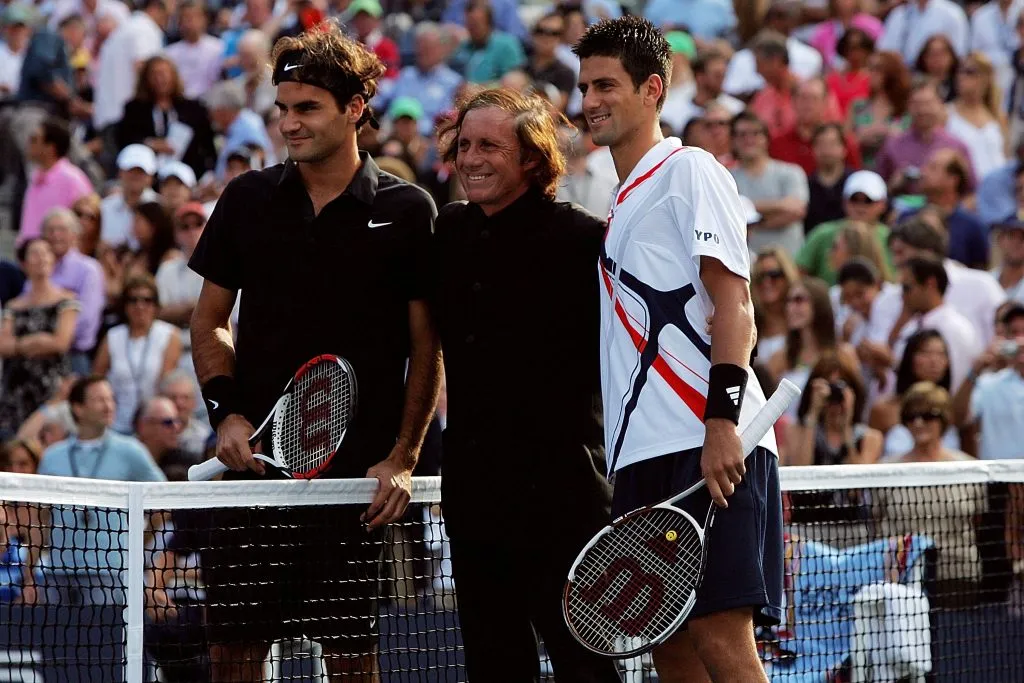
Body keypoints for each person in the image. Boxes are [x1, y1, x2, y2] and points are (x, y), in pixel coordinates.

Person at [188, 24, 440, 681]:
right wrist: (226, 413)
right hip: (253, 480)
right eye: (282, 109)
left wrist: (403, 456)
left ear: (355, 107)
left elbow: (426, 346)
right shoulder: (246, 198)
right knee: (232, 655)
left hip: (351, 484)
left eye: (307, 108)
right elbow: (209, 321)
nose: (289, 124)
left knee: (352, 661)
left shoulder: (408, 209)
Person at [575, 16, 781, 681]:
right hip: (642, 453)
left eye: (606, 85)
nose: (590, 100)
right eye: (584, 87)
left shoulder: (689, 168)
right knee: (669, 646)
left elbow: (736, 307)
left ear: (653, 90)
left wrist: (722, 421)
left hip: (703, 435)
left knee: (720, 634)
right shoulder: (620, 201)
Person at [434, 87, 618, 683]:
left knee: (585, 668)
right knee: (494, 668)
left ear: (534, 159)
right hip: (473, 499)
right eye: (464, 145)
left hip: (563, 500)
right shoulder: (449, 232)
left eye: (489, 146)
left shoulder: (584, 239)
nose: (471, 158)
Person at [0, 239, 79, 437]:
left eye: (46, 252)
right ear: (23, 263)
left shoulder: (66, 301)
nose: (41, 258)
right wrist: (37, 341)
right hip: (16, 387)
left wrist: (19, 345)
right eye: (35, 253)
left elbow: (61, 342)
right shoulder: (13, 306)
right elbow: (3, 345)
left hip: (51, 387)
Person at [93, 274, 181, 434]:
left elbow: (166, 383)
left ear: (155, 304)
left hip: (153, 424)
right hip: (116, 422)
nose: (140, 306)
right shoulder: (113, 336)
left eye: (147, 300)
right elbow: (97, 380)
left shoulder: (169, 335)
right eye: (133, 300)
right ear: (125, 305)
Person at [115, 55, 217, 181]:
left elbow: (206, 144)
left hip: (188, 174)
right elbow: (124, 139)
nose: (159, 79)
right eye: (154, 75)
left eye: (164, 74)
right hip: (149, 175)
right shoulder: (134, 109)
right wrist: (151, 144)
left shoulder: (193, 109)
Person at [893, 256, 982, 392]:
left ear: (931, 284)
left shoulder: (955, 328)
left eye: (907, 287)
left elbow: (957, 383)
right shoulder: (911, 326)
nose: (902, 295)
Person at [869, 329, 960, 457]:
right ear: (910, 357)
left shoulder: (955, 408)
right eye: (926, 353)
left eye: (941, 354)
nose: (934, 361)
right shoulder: (883, 410)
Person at [35, 208, 104, 376]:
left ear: (75, 234)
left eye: (62, 229)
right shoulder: (37, 268)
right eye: (50, 230)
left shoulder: (88, 269)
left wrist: (50, 339)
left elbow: (86, 319)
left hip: (72, 357)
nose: (56, 235)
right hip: (35, 357)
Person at [730, 110, 809, 256]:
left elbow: (796, 209)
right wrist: (779, 206)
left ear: (766, 138)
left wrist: (747, 214)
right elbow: (726, 215)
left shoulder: (791, 172)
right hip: (746, 263)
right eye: (742, 134)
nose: (749, 139)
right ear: (733, 140)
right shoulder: (726, 178)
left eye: (755, 133)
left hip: (789, 261)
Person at [784, 352, 883, 466]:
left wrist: (846, 428)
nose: (834, 396)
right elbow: (800, 469)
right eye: (830, 387)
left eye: (839, 388)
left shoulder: (870, 438)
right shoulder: (797, 431)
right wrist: (813, 413)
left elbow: (861, 474)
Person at [798, 170, 891, 285]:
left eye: (868, 201)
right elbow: (800, 272)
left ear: (883, 204)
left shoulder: (891, 238)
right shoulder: (822, 233)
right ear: (844, 201)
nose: (860, 207)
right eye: (854, 199)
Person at [848, 51, 911, 168]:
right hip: (861, 169)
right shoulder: (858, 106)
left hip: (894, 169)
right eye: (869, 68)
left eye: (877, 69)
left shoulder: (907, 109)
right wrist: (861, 138)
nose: (870, 74)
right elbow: (843, 143)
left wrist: (889, 133)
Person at [802, 124, 855, 235]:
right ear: (813, 149)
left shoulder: (856, 182)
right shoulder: (804, 185)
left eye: (832, 144)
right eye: (821, 144)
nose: (826, 150)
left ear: (844, 149)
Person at [752, 247, 801, 362]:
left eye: (774, 274)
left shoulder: (803, 323)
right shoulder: (750, 323)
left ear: (787, 276)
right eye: (760, 276)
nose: (766, 282)